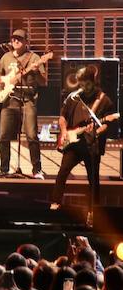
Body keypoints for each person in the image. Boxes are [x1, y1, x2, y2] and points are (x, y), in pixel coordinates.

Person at [51, 63, 115, 213]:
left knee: (93, 179)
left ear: (93, 82)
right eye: (81, 84)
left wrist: (96, 132)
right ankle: (55, 203)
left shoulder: (104, 100)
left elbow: (107, 124)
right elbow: (62, 117)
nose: (83, 87)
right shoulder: (73, 98)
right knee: (63, 171)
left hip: (92, 144)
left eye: (86, 84)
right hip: (73, 144)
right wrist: (64, 130)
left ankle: (95, 211)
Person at [0, 29, 46, 178]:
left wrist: (35, 72)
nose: (15, 41)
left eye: (19, 39)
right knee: (3, 135)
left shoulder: (34, 58)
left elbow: (43, 81)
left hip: (28, 99)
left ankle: (37, 170)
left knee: (31, 135)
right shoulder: (6, 57)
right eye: (14, 39)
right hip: (9, 99)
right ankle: (4, 169)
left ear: (26, 42)